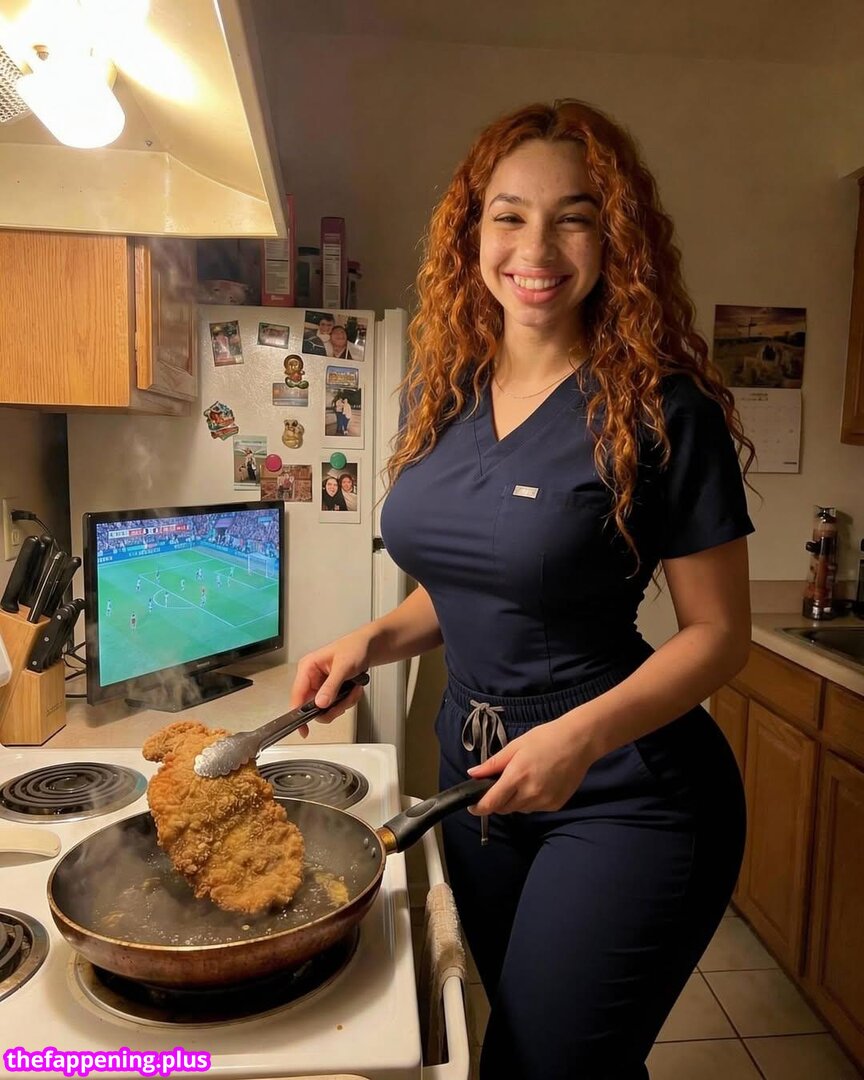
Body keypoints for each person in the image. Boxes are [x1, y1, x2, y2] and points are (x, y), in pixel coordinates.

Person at [288, 100, 755, 1080]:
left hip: (627, 786)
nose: (536, 248)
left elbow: (718, 634)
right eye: (509, 215)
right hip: (476, 782)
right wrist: (371, 640)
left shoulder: (662, 409)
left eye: (573, 218)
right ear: (473, 232)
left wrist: (579, 737)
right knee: (562, 1052)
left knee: (536, 1066)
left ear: (614, 240)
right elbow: (474, 588)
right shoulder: (442, 396)